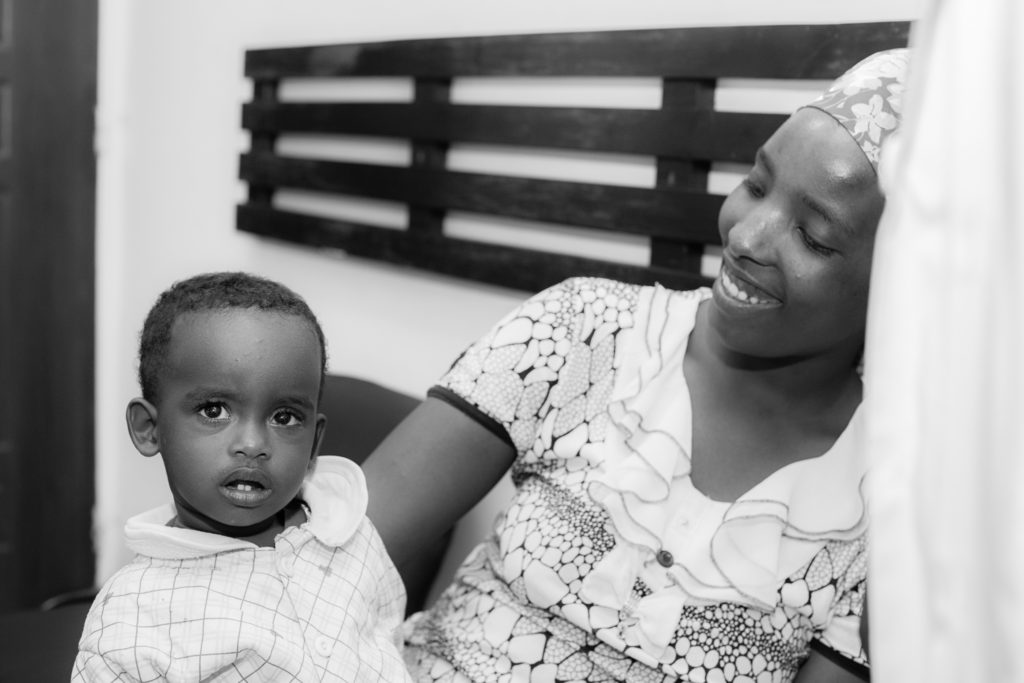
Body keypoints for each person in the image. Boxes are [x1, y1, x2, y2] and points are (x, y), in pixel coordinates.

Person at [362, 48, 910, 683]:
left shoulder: (891, 497)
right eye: (756, 186)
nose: (745, 237)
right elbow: (335, 564)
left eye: (814, 237)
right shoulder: (582, 331)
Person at [72, 272, 412, 682]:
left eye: (285, 417)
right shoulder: (133, 617)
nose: (252, 444)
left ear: (315, 441)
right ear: (150, 429)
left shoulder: (352, 535)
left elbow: (387, 641)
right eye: (213, 410)